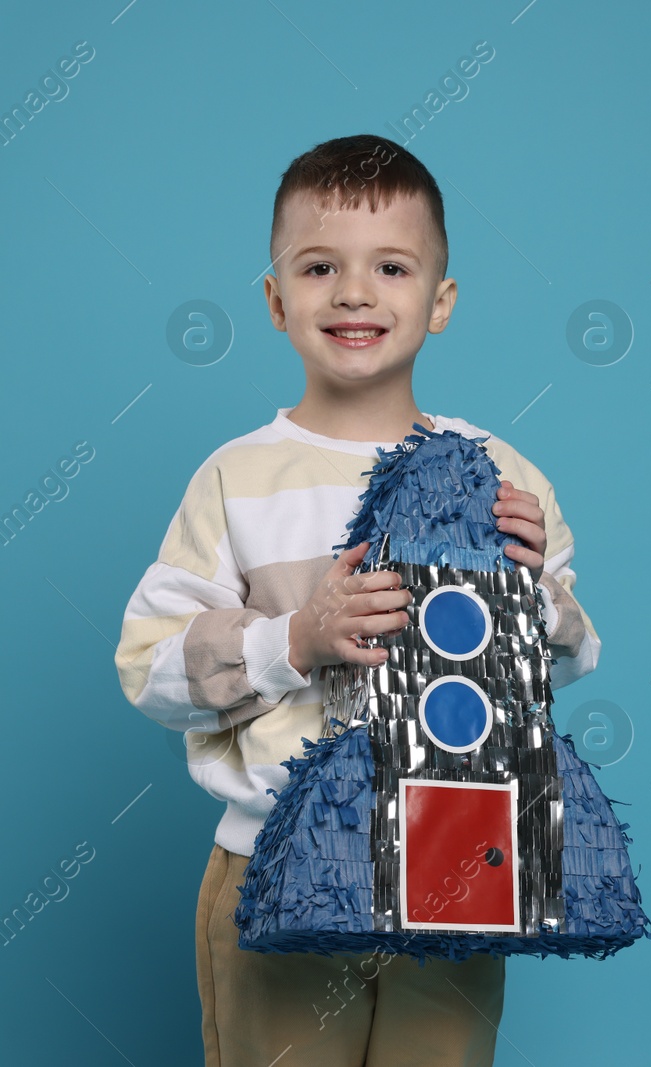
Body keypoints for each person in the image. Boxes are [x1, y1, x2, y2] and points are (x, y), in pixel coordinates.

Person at [113, 133, 602, 1066]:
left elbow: (571, 662)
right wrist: (293, 639)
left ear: (440, 301)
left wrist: (534, 601)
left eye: (391, 266)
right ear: (275, 298)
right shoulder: (235, 478)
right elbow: (150, 669)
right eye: (318, 266)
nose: (353, 292)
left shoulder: (502, 473)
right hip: (277, 857)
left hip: (459, 854)